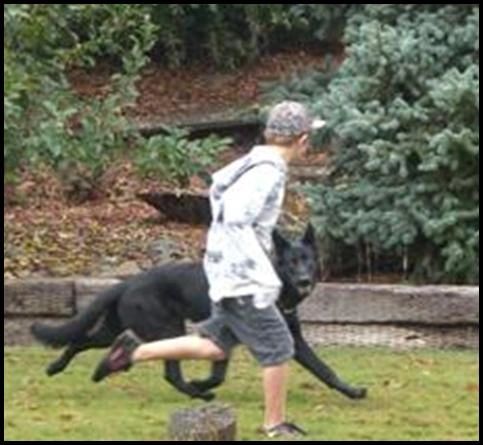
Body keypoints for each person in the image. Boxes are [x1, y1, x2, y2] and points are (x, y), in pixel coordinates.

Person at [93, 101, 325, 438]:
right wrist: (261, 273)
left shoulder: (253, 162)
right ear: (302, 139)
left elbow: (217, 188)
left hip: (224, 270)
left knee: (216, 345)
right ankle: (276, 425)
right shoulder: (267, 170)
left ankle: (132, 351)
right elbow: (235, 217)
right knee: (278, 346)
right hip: (243, 277)